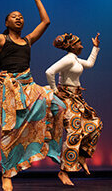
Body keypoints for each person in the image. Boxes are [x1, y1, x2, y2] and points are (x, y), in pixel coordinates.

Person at [0, 0, 66, 191]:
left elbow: (46, 22)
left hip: (30, 86)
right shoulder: (0, 39)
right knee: (10, 131)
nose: (19, 19)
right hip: (10, 89)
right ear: (6, 23)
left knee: (59, 106)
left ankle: (53, 152)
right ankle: (7, 174)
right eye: (14, 17)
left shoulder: (27, 40)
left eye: (21, 17)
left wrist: (38, 1)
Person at [45, 32, 102, 186]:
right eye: (79, 43)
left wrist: (95, 48)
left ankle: (82, 155)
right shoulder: (68, 58)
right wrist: (54, 91)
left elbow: (89, 64)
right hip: (67, 99)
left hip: (77, 98)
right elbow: (49, 72)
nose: (82, 46)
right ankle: (64, 171)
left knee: (95, 123)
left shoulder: (74, 58)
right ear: (72, 46)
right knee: (74, 131)